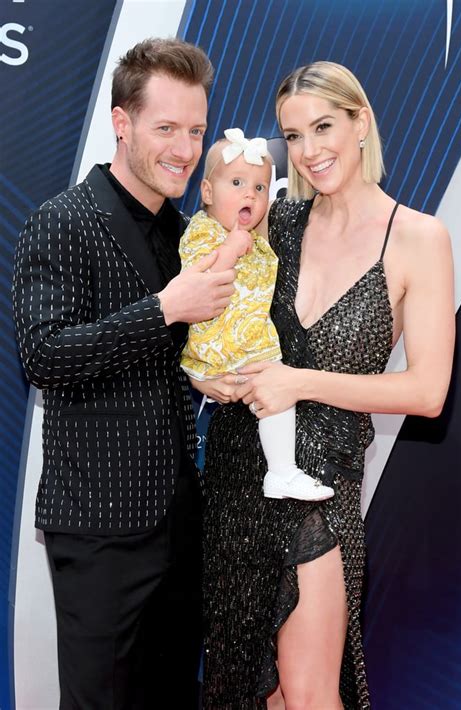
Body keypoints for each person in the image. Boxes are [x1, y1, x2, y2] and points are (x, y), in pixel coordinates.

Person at [193, 61, 455, 708]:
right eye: (293, 136)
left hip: (322, 494)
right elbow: (213, 310)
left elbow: (427, 392)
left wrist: (296, 382)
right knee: (250, 696)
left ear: (360, 122)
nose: (309, 153)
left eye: (323, 127)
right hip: (236, 479)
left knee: (309, 696)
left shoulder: (419, 238)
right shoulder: (274, 223)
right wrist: (214, 374)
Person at [12, 37, 236, 710]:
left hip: (179, 525)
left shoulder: (190, 234)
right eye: (166, 128)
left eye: (195, 130)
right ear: (122, 123)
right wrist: (165, 310)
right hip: (101, 530)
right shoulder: (61, 222)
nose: (184, 148)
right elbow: (44, 356)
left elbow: (176, 361)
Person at [180, 128, 334, 502]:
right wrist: (231, 250)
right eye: (236, 182)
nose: (249, 193)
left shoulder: (255, 238)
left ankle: (281, 470)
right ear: (207, 193)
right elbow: (192, 283)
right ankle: (283, 471)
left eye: (260, 187)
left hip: (243, 350)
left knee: (277, 397)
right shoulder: (204, 232)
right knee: (277, 391)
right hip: (220, 347)